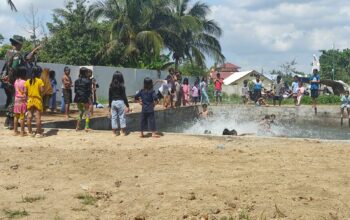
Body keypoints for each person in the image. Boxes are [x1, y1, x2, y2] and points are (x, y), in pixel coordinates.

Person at [1, 35, 36, 129]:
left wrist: (4, 76)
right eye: (21, 44)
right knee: (14, 100)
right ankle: (12, 122)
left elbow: (5, 66)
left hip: (5, 80)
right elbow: (14, 67)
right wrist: (11, 78)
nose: (21, 46)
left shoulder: (7, 52)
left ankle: (7, 121)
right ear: (18, 44)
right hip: (13, 80)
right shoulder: (17, 54)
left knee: (9, 99)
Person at [25, 66, 44, 137]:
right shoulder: (40, 81)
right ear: (38, 73)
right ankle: (38, 133)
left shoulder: (27, 81)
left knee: (29, 116)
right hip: (37, 100)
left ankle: (30, 132)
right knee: (37, 117)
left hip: (30, 100)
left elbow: (25, 91)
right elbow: (42, 91)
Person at [109, 71, 130, 136]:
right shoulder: (122, 86)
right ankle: (122, 132)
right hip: (120, 102)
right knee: (122, 116)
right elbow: (124, 96)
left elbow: (110, 96)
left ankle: (114, 132)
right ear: (121, 78)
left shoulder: (111, 86)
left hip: (113, 102)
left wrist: (110, 105)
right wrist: (127, 105)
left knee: (114, 117)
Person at [13, 67, 27, 136]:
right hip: (22, 100)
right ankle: (22, 131)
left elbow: (15, 90)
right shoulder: (24, 82)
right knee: (22, 116)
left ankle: (15, 131)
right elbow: (25, 92)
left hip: (16, 100)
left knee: (16, 116)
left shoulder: (15, 81)